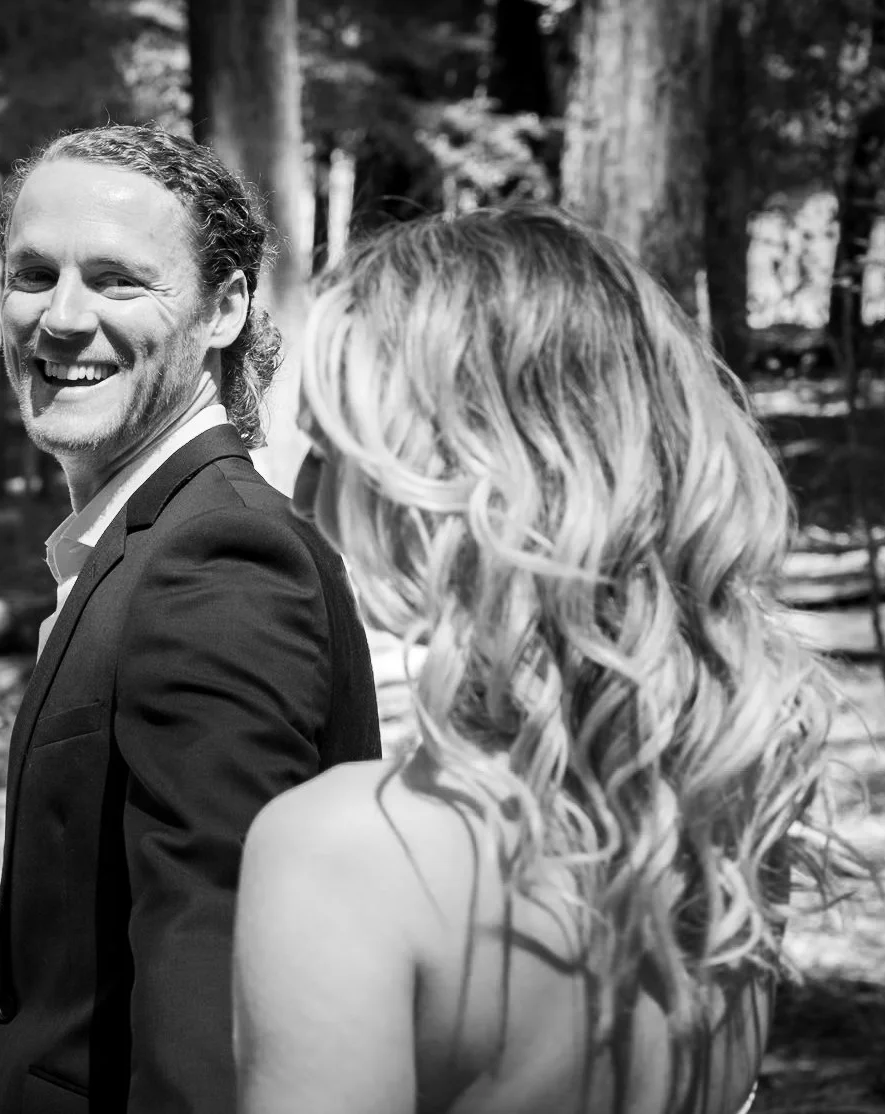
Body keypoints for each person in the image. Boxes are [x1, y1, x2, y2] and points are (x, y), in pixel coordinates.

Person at [233, 206, 850, 1114]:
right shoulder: (733, 802)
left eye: (330, 452)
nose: (299, 495)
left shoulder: (344, 853)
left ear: (465, 478)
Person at [0, 124, 383, 1114]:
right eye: (34, 276)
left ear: (224, 309)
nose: (61, 318)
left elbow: (218, 988)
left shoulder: (219, 563)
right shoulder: (143, 542)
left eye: (117, 281)